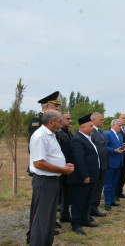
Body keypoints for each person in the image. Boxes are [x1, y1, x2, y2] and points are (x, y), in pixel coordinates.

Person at [28, 110, 74, 246]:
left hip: (53, 180)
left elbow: (50, 157)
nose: (62, 123)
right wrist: (62, 169)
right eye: (60, 121)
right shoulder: (40, 136)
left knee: (50, 219)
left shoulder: (52, 134)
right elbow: (38, 163)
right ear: (51, 122)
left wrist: (63, 164)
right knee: (41, 220)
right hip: (44, 181)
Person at [26, 91, 61, 243]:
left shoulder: (53, 125)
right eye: (55, 106)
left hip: (51, 171)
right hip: (42, 170)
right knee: (39, 209)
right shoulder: (37, 122)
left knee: (48, 210)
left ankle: (46, 231)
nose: (58, 109)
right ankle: (32, 235)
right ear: (47, 107)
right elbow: (33, 148)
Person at [68, 114, 101, 235]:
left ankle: (85, 220)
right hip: (82, 178)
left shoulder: (88, 138)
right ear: (82, 127)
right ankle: (76, 224)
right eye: (90, 126)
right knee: (78, 201)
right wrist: (85, 176)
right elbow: (79, 160)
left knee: (87, 200)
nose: (93, 128)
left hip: (91, 177)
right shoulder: (77, 140)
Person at [104, 119, 125, 211]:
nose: (121, 128)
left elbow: (120, 146)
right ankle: (107, 202)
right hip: (111, 163)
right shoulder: (107, 134)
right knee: (108, 183)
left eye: (121, 126)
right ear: (113, 125)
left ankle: (112, 200)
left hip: (119, 162)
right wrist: (114, 150)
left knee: (114, 183)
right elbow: (104, 147)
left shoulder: (120, 135)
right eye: (119, 126)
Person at [90, 112, 109, 217]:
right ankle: (90, 209)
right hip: (96, 165)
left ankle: (94, 208)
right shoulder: (91, 131)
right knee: (94, 188)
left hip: (103, 164)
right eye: (100, 119)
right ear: (93, 119)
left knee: (99, 188)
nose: (102, 121)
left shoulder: (100, 131)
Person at [57, 112, 74, 223]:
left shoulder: (68, 133)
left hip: (68, 167)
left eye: (70, 118)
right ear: (61, 120)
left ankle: (65, 214)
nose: (70, 120)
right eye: (68, 118)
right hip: (58, 167)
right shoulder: (57, 133)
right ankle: (52, 221)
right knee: (57, 193)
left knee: (67, 191)